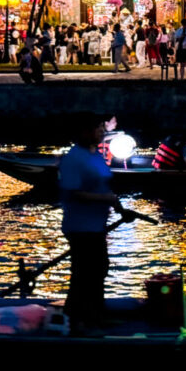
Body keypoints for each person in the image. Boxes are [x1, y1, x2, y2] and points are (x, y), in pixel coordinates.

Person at [58, 113, 135, 334]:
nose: (102, 132)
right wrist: (106, 200)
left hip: (97, 224)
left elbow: (104, 186)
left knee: (99, 269)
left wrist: (119, 207)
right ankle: (76, 320)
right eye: (97, 128)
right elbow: (74, 193)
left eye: (102, 127)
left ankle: (96, 315)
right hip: (80, 225)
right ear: (84, 131)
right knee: (83, 273)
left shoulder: (97, 155)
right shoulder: (74, 158)